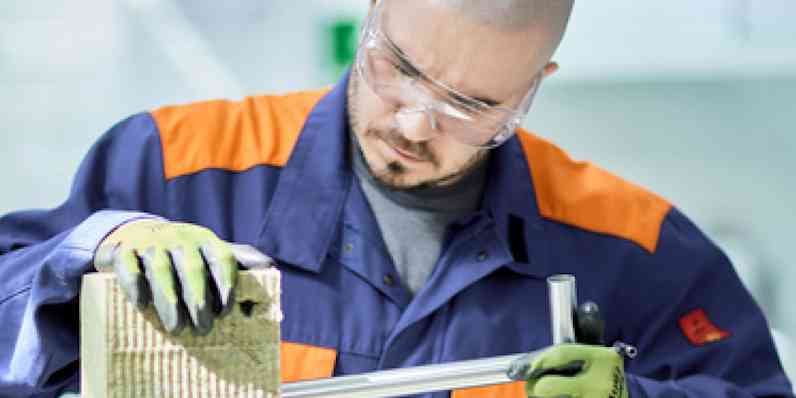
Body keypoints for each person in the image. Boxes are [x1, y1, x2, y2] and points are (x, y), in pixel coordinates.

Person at [0, 0, 792, 397]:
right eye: (401, 68)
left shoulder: (633, 247)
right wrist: (89, 254)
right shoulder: (175, 165)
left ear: (531, 92)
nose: (414, 124)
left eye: (471, 104)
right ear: (372, 12)